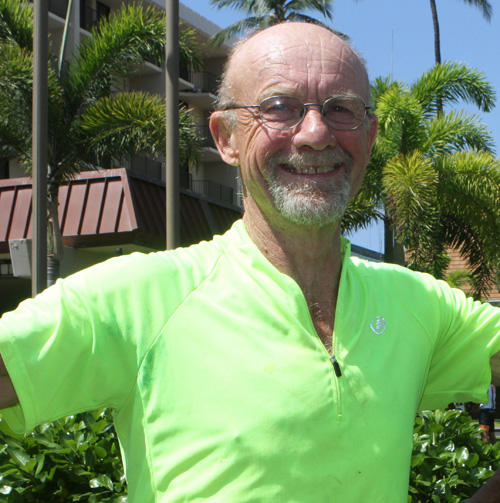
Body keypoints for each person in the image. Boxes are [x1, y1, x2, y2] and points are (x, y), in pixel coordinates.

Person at [0, 22, 499, 502]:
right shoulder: (141, 299)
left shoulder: (418, 306)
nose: (316, 132)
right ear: (226, 138)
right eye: (279, 107)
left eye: (341, 108)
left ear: (369, 136)